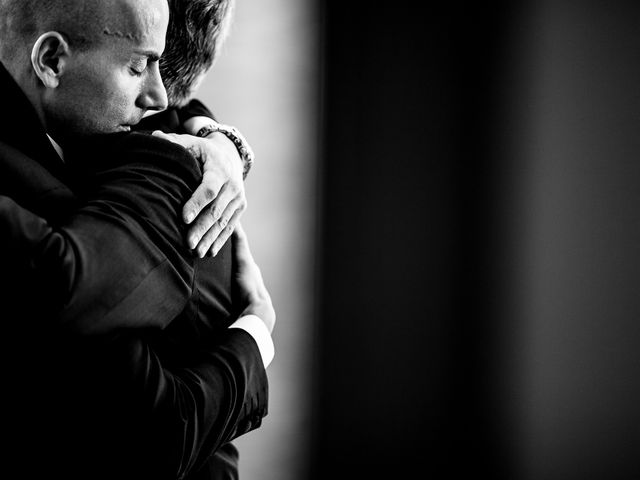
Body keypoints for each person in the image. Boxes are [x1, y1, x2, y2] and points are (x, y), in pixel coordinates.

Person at [0, 0, 273, 478]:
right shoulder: (155, 170)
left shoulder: (121, 125)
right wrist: (254, 337)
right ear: (51, 61)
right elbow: (159, 434)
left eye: (158, 63)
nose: (160, 96)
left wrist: (218, 139)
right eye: (139, 66)